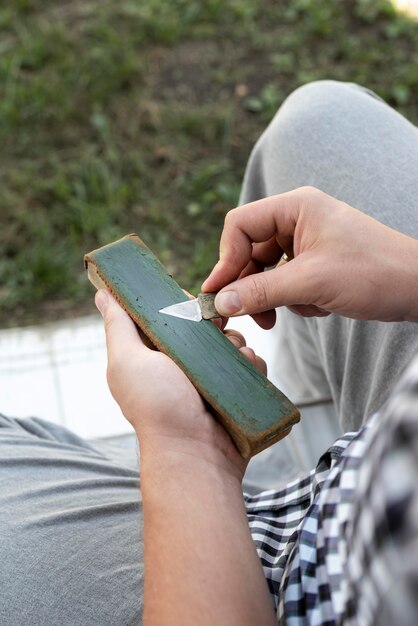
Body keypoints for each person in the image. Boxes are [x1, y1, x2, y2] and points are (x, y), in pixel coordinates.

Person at [1, 80, 418, 625]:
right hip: (377, 468)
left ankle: (264, 466)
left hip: (309, 587)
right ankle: (315, 442)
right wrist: (409, 273)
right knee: (321, 118)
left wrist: (188, 451)